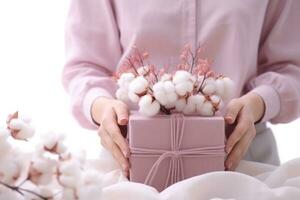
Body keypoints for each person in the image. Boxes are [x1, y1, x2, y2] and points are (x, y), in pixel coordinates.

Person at [62, 0, 300, 177]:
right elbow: (84, 66)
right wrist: (102, 107)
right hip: (130, 164)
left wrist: (258, 103)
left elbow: (291, 67)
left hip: (243, 164)